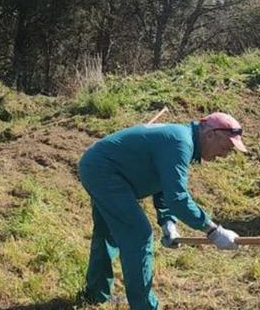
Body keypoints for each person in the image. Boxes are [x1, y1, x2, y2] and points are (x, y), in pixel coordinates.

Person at [77, 112, 247, 309]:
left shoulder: (180, 139)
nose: (224, 155)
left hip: (99, 167)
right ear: (210, 135)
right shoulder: (180, 143)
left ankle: (95, 295)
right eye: (225, 148)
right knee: (138, 234)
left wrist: (168, 222)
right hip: (103, 172)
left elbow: (163, 186)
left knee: (108, 232)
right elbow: (177, 197)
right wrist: (213, 230)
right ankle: (144, 306)